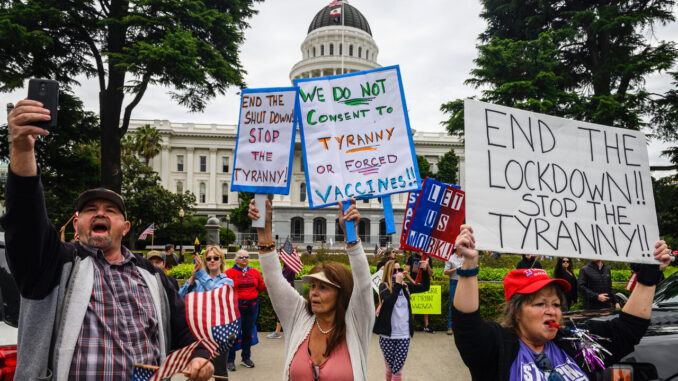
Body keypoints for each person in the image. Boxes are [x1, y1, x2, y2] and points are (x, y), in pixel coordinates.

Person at [1, 99, 213, 380]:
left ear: (124, 227)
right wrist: (22, 148)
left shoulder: (153, 276)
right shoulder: (53, 263)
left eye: (110, 210)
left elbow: (184, 333)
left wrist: (201, 358)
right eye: (90, 209)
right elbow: (25, 218)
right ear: (77, 224)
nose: (100, 212)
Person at [452, 224, 671, 380]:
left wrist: (649, 276)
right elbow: (467, 327)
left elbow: (626, 330)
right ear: (516, 312)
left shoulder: (573, 341)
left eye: (556, 304)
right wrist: (469, 264)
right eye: (540, 304)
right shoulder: (498, 346)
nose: (551, 311)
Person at [249, 198, 374, 381]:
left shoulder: (356, 323)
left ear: (342, 294)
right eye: (313, 286)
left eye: (323, 287)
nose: (314, 292)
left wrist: (351, 235)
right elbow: (274, 280)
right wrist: (263, 229)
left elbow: (363, 285)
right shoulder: (299, 317)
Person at [178, 246, 234, 377]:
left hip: (218, 334)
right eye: (208, 258)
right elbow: (180, 298)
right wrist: (192, 278)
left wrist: (201, 274)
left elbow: (216, 294)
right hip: (198, 334)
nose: (212, 261)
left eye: (216, 258)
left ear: (221, 260)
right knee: (197, 371)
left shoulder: (227, 281)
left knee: (219, 372)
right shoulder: (198, 281)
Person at [373, 259, 430, 380]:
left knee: (397, 372)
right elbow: (388, 303)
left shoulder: (406, 287)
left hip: (403, 335)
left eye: (400, 270)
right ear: (389, 272)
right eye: (395, 270)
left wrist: (424, 271)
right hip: (387, 336)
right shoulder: (384, 286)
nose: (398, 272)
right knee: (389, 369)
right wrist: (398, 285)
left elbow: (425, 287)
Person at [225, 248, 266, 371]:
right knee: (234, 334)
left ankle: (246, 358)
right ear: (236, 259)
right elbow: (224, 290)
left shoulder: (254, 272)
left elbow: (262, 288)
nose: (244, 259)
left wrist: (269, 280)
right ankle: (230, 360)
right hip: (236, 307)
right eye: (242, 257)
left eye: (246, 257)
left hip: (252, 306)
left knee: (248, 333)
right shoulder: (229, 273)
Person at [404, 251, 434, 333]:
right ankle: (411, 326)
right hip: (414, 286)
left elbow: (431, 273)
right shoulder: (412, 257)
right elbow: (405, 272)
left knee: (425, 305)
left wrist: (427, 265)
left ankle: (427, 326)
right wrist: (413, 281)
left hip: (425, 285)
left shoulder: (428, 257)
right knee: (413, 305)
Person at [268, 262, 297, 339]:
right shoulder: (288, 265)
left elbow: (284, 279)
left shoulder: (289, 266)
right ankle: (279, 332)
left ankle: (278, 332)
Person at [444, 249, 464, 335]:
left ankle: (461, 327)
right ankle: (450, 327)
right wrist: (456, 269)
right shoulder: (450, 258)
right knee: (453, 304)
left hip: (464, 281)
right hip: (454, 282)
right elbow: (445, 272)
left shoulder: (466, 257)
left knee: (464, 305)